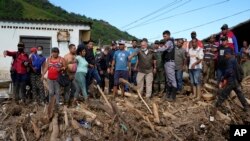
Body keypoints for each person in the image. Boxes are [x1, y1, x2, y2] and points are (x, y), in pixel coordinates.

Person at [157, 30, 177, 101]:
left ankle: (173, 97)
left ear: (168, 35)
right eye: (163, 36)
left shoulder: (169, 42)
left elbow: (164, 48)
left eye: (165, 36)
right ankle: (168, 95)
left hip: (169, 63)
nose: (164, 37)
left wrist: (156, 50)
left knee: (172, 79)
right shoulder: (169, 41)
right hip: (167, 62)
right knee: (168, 80)